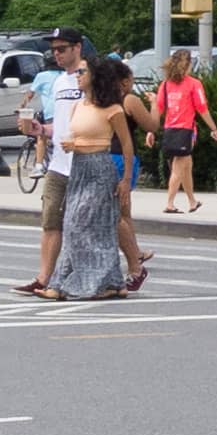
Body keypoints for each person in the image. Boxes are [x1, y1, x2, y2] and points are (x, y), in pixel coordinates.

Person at [49, 60, 129, 300]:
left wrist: (125, 180)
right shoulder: (77, 106)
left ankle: (92, 281)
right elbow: (72, 135)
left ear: (95, 76)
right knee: (80, 225)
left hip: (100, 169)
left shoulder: (112, 109)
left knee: (79, 224)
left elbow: (126, 145)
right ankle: (108, 282)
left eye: (82, 71)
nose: (77, 75)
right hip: (79, 168)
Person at [17, 30, 88, 299]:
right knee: (51, 221)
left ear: (77, 48)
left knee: (86, 224)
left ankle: (106, 273)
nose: (56, 54)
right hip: (59, 163)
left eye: (62, 49)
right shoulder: (58, 82)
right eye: (53, 50)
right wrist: (39, 129)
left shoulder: (90, 77)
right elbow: (58, 125)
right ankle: (43, 277)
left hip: (84, 160)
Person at [93, 59, 151, 293]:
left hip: (117, 158)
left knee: (115, 214)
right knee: (121, 213)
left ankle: (134, 261)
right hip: (104, 158)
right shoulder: (106, 101)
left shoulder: (127, 101)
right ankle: (133, 257)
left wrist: (155, 105)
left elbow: (152, 125)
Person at [156, 49, 217, 214]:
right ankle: (170, 203)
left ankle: (192, 201)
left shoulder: (165, 85)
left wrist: (151, 131)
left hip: (170, 130)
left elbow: (158, 108)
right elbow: (202, 108)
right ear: (188, 64)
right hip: (186, 130)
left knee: (186, 165)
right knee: (179, 166)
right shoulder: (194, 84)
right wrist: (214, 128)